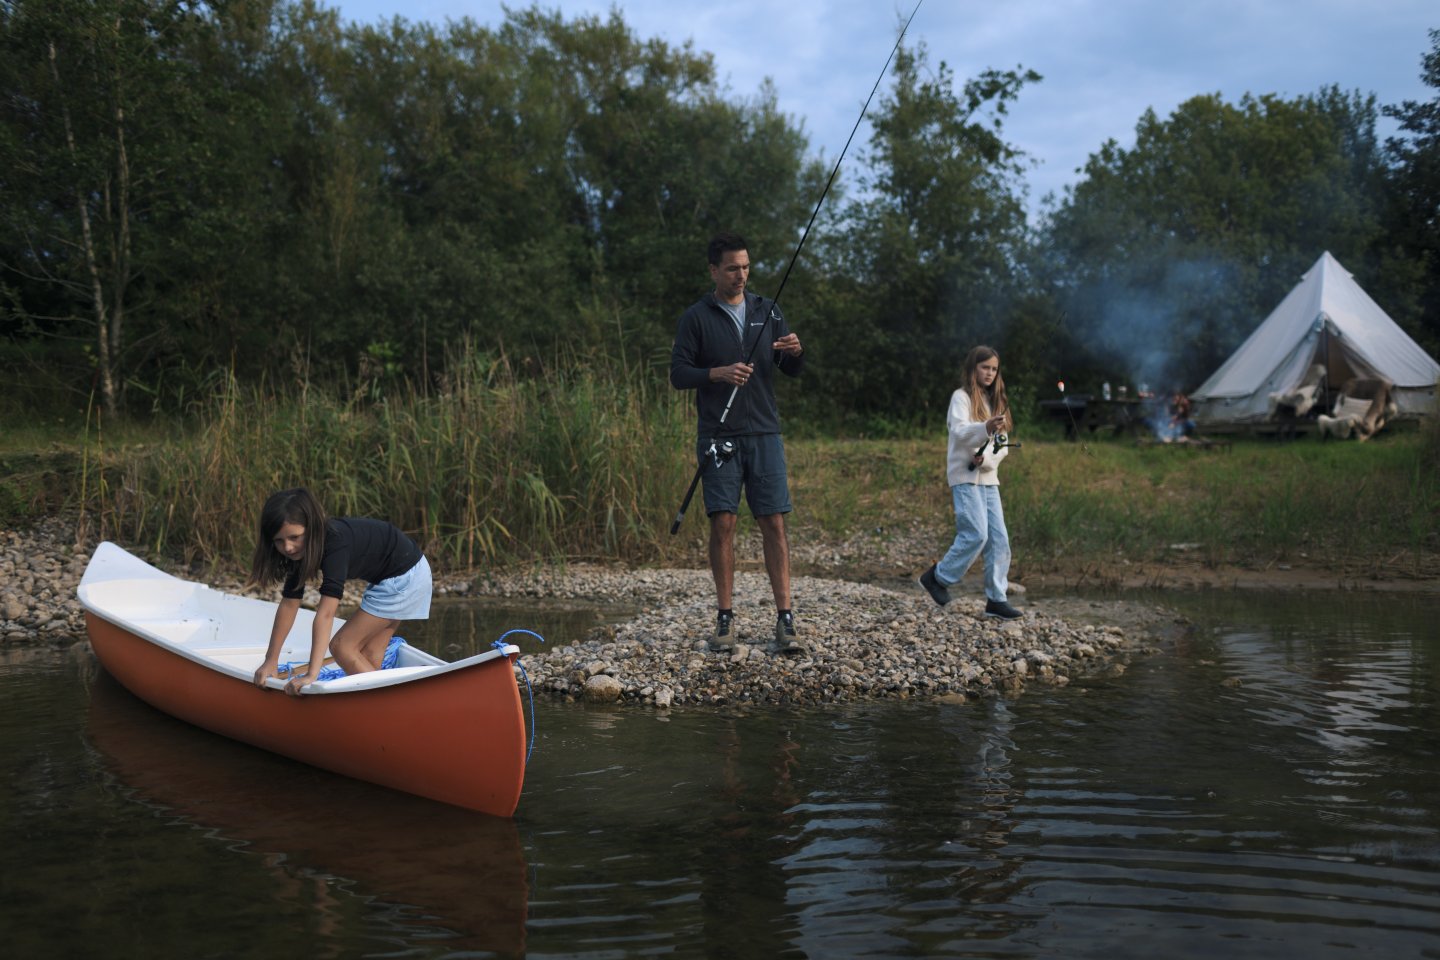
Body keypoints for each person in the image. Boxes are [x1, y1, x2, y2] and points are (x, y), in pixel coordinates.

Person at [670, 231, 806, 655]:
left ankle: (785, 620)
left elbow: (791, 369)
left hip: (765, 432)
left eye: (746, 267)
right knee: (723, 523)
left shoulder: (768, 310)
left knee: (774, 522)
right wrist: (718, 372)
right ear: (714, 270)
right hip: (719, 434)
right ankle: (725, 619)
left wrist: (795, 352)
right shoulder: (697, 316)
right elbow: (678, 374)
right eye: (732, 268)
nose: (741, 275)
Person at [249, 487, 432, 695]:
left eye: (294, 537)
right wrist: (271, 660)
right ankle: (386, 708)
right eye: (279, 541)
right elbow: (289, 604)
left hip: (404, 577)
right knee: (369, 654)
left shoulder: (335, 544)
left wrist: (312, 674)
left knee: (341, 647)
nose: (288, 547)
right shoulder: (301, 552)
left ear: (312, 528)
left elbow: (326, 614)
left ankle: (385, 707)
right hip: (405, 571)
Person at [917, 346, 1023, 620]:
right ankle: (938, 577)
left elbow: (1003, 448)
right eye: (984, 367)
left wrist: (985, 459)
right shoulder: (961, 398)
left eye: (994, 369)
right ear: (973, 369)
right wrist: (985, 428)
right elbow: (961, 431)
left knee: (999, 540)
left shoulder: (997, 404)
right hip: (964, 477)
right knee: (976, 533)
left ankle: (996, 599)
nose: (989, 373)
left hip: (989, 479)